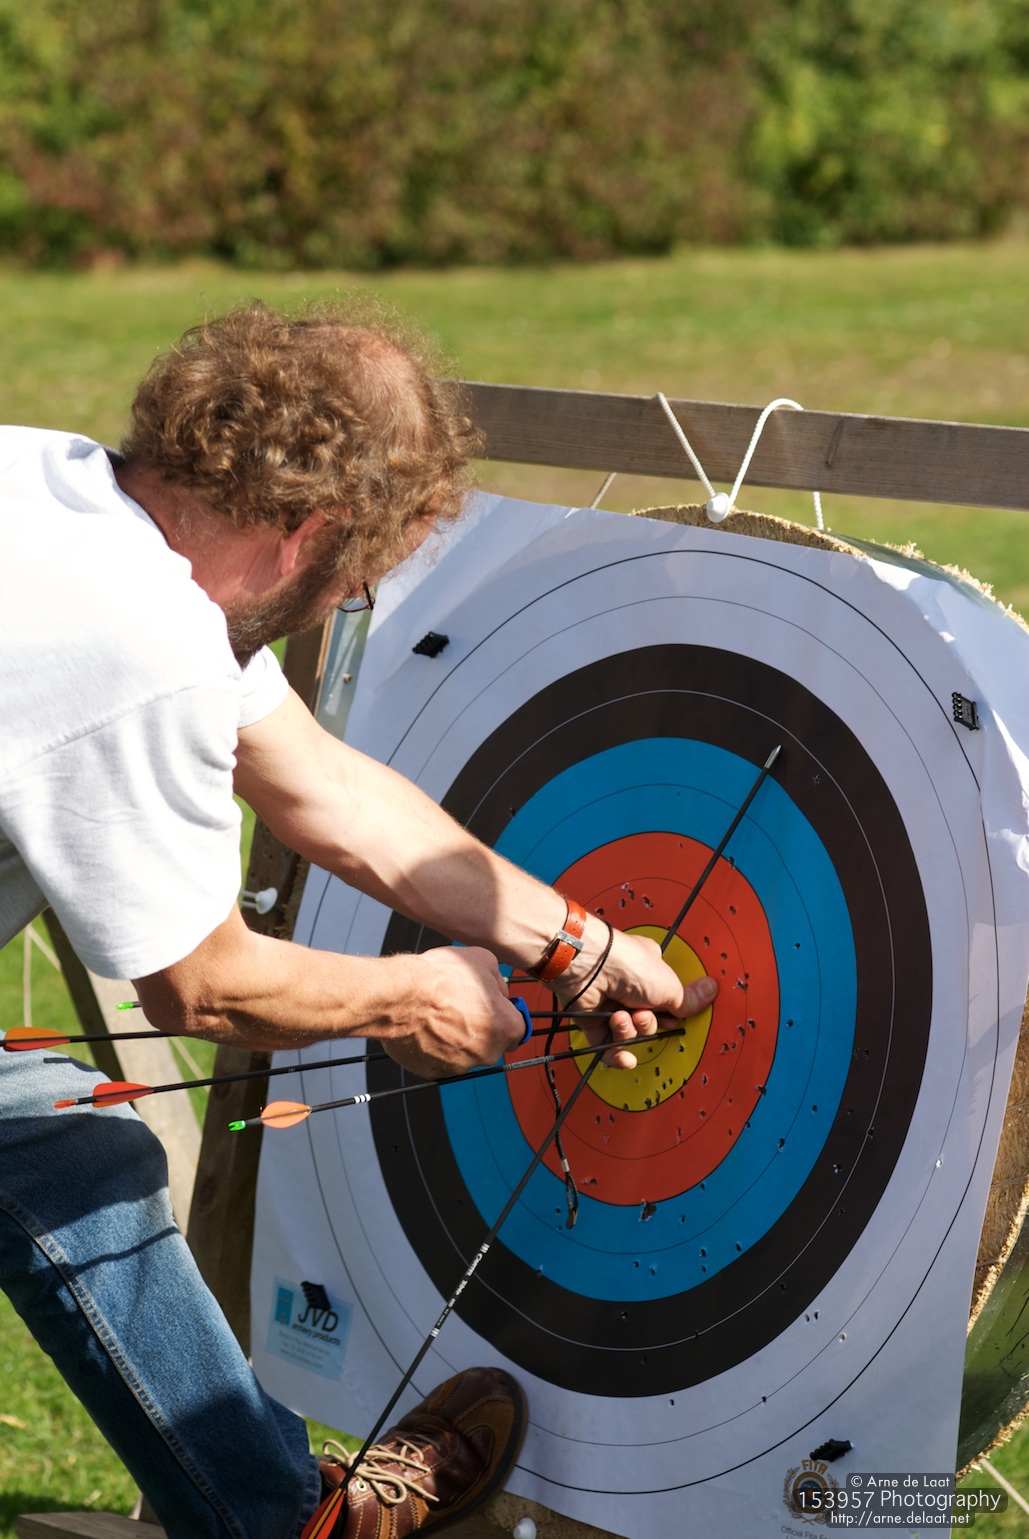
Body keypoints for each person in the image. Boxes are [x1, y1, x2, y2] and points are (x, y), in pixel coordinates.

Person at [0, 300, 717, 1539]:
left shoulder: (57, 488)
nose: (351, 595)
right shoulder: (142, 637)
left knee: (55, 1144)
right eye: (362, 574)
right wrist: (406, 999)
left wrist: (576, 944)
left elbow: (323, 790)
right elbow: (202, 986)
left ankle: (275, 1517)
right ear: (310, 533)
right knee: (57, 1145)